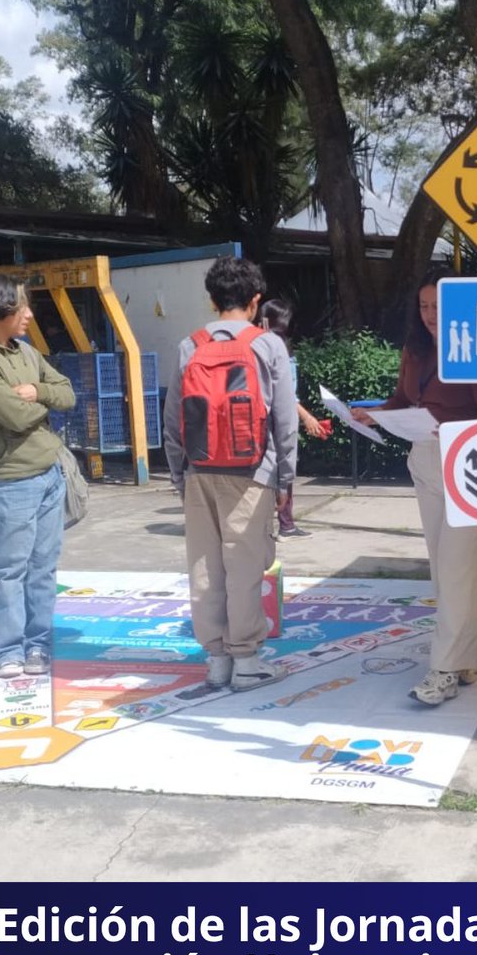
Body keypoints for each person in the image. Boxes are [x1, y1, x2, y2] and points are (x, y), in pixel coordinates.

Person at [353, 264, 477, 708]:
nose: (431, 314)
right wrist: (376, 413)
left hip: (469, 463)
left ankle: (445, 668)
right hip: (426, 461)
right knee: (445, 569)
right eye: (424, 305)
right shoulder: (415, 347)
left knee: (457, 568)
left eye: (440, 306)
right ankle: (467, 658)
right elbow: (403, 398)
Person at [163, 256, 298, 692]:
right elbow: (284, 421)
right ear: (256, 300)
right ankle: (247, 662)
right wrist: (285, 479)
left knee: (204, 567)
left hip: (200, 471)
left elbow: (172, 419)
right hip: (251, 471)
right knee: (243, 567)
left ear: (212, 298)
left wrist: (179, 476)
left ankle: (216, 661)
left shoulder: (191, 345)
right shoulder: (268, 345)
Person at [0, 274, 76, 679]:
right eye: (20, 307)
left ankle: (38, 644)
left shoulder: (25, 351)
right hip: (9, 482)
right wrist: (40, 397)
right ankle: (8, 650)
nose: (27, 315)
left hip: (48, 474)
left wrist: (36, 391)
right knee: (11, 569)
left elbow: (68, 393)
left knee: (44, 568)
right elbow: (15, 415)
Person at [259, 298, 326, 539]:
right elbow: (284, 394)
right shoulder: (269, 347)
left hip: (280, 415)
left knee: (281, 469)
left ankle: (285, 522)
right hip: (275, 419)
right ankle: (279, 524)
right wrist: (307, 417)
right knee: (278, 469)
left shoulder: (275, 346)